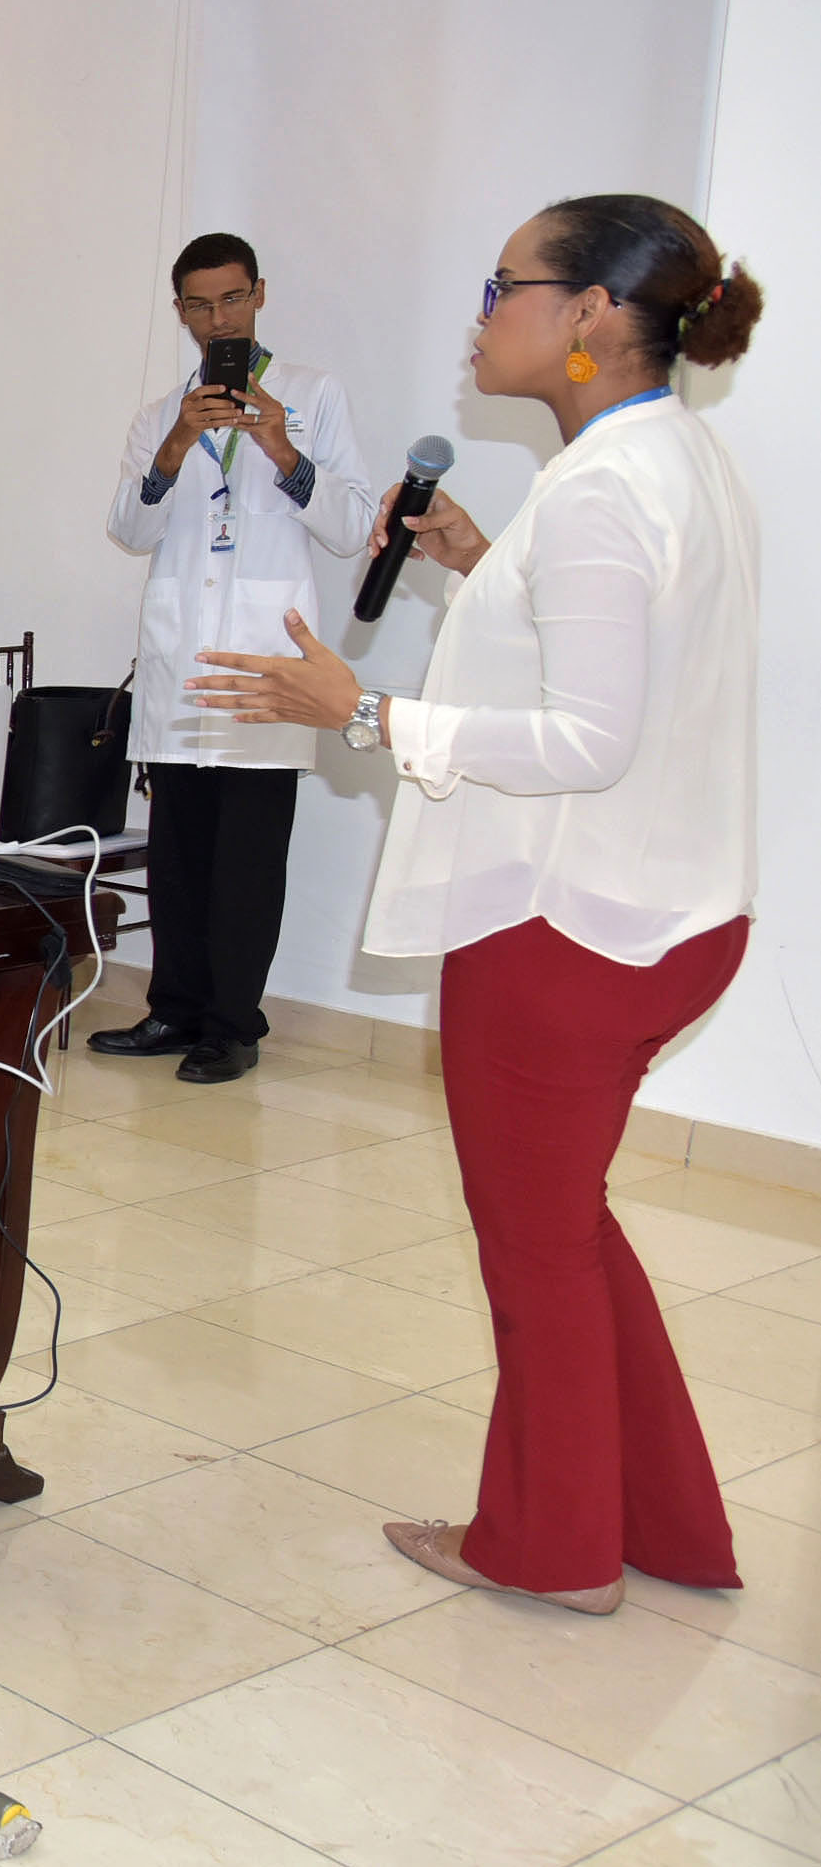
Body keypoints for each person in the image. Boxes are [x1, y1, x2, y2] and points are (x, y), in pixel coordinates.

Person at [186, 193, 761, 1618]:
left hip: (567, 928)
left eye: (505, 283)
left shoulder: (607, 487)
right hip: (667, 910)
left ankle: (551, 1548)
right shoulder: (670, 460)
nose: (480, 308)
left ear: (590, 316)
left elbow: (587, 740)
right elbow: (603, 651)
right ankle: (669, 1527)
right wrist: (476, 566)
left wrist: (367, 710)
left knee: (538, 1249)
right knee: (573, 1228)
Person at [91, 232, 381, 1085]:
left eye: (231, 300)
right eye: (198, 305)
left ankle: (232, 1026)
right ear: (178, 311)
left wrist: (282, 449)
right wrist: (176, 446)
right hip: (181, 660)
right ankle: (172, 1011)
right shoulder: (159, 415)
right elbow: (129, 528)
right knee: (176, 857)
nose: (216, 318)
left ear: (258, 296)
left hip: (267, 664)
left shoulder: (311, 396)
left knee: (247, 863)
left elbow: (348, 525)